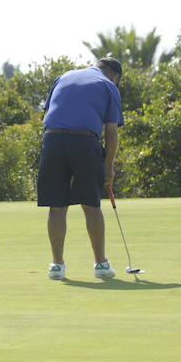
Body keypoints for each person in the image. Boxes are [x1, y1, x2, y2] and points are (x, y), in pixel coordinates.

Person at [37, 57, 124, 280]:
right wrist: (109, 167)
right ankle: (101, 265)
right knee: (91, 204)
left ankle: (57, 266)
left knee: (56, 206)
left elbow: (48, 113)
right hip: (85, 142)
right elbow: (111, 132)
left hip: (52, 140)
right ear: (114, 75)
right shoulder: (109, 86)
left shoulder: (64, 76)